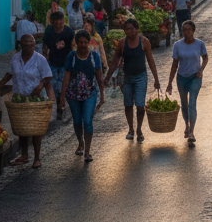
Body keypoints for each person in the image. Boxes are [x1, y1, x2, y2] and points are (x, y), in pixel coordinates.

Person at [0, 33, 55, 168]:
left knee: (36, 129)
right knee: (22, 127)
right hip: (20, 98)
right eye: (24, 45)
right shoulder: (15, 58)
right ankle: (24, 155)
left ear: (34, 45)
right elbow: (10, 73)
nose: (27, 48)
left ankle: (37, 157)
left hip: (35, 99)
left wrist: (40, 85)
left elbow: (47, 76)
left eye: (30, 45)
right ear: (20, 45)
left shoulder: (40, 59)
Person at [106, 17, 160, 141]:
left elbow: (151, 61)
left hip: (141, 77)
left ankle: (139, 129)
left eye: (131, 29)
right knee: (128, 104)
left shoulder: (144, 42)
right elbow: (115, 61)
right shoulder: (121, 43)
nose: (129, 32)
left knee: (140, 106)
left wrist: (156, 79)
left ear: (137, 29)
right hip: (127, 78)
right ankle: (131, 128)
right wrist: (107, 77)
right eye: (126, 29)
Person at [60, 30, 105, 161]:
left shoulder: (94, 57)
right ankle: (80, 142)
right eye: (81, 42)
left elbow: (99, 77)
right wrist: (62, 97)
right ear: (77, 43)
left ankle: (87, 151)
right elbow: (66, 77)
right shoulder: (71, 56)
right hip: (73, 95)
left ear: (89, 42)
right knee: (77, 121)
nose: (83, 45)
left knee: (87, 121)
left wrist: (102, 96)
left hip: (90, 93)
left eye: (86, 42)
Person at [166, 20, 208, 145]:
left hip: (195, 77)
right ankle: (186, 124)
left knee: (192, 104)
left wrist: (201, 70)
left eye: (189, 30)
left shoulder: (200, 44)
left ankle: (191, 132)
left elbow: (205, 58)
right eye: (184, 30)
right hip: (181, 78)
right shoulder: (177, 45)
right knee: (184, 104)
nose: (186, 32)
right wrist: (169, 83)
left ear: (193, 31)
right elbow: (174, 65)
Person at [43, 12, 74, 120]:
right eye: (57, 23)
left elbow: (73, 47)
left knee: (63, 87)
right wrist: (44, 59)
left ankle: (62, 107)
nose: (59, 25)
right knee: (54, 88)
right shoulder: (49, 32)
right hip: (53, 63)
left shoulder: (69, 32)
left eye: (61, 22)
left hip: (66, 64)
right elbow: (45, 46)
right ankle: (59, 107)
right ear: (53, 23)